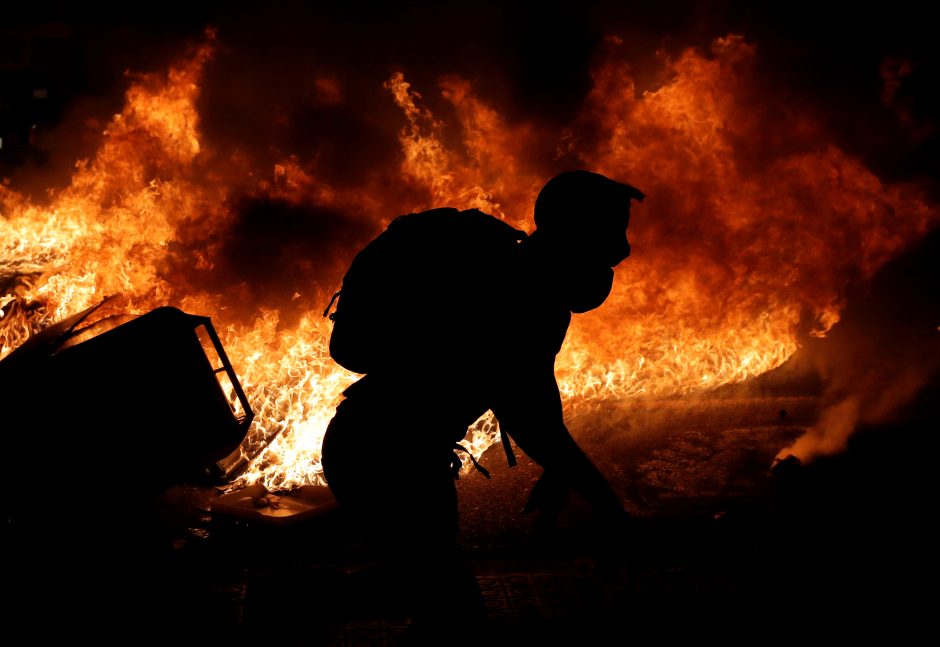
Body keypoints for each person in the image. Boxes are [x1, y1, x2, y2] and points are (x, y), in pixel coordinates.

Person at [321, 170, 643, 642]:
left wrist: (558, 472)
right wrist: (608, 508)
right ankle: (292, 606)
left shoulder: (531, 291)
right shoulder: (518, 296)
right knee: (449, 606)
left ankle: (298, 605)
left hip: (391, 453)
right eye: (611, 230)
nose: (621, 249)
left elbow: (536, 397)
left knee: (430, 586)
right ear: (571, 231)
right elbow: (528, 414)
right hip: (384, 458)